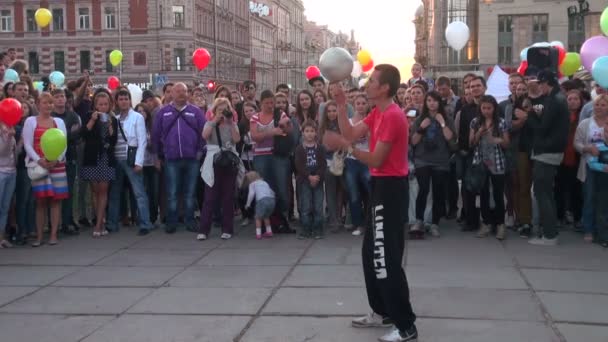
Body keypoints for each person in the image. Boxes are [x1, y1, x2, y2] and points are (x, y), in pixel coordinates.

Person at [324, 64, 418, 342]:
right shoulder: (378, 112)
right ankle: (382, 312)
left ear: (385, 87)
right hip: (380, 187)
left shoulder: (392, 116)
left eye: (372, 80)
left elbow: (374, 158)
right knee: (370, 254)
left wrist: (345, 144)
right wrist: (342, 105)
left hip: (391, 189)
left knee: (385, 258)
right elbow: (352, 133)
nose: (367, 83)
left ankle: (406, 326)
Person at [152, 82, 206, 234]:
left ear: (188, 94)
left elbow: (204, 132)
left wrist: (200, 151)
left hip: (192, 159)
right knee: (172, 193)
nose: (181, 94)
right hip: (171, 159)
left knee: (190, 193)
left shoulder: (195, 112)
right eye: (178, 91)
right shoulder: (163, 112)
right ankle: (172, 222)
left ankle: (189, 220)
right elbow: (155, 135)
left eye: (184, 91)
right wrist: (156, 156)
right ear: (172, 94)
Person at [527, 71, 569, 246]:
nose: (539, 87)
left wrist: (529, 114)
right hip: (552, 151)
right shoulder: (558, 98)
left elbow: (542, 129)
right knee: (546, 193)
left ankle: (550, 235)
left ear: (547, 83)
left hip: (547, 152)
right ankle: (550, 231)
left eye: (541, 83)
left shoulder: (554, 100)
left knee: (541, 193)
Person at [23, 93, 69, 246]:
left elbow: (64, 143)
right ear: (38, 104)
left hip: (57, 165)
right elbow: (27, 144)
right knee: (40, 201)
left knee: (56, 201)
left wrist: (57, 159)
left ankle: (54, 234)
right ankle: (39, 236)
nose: (48, 105)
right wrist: (39, 160)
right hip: (39, 165)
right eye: (45, 103)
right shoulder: (30, 121)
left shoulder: (59, 122)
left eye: (50, 103)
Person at [105, 90, 153, 236]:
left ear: (130, 101)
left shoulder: (137, 117)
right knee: (114, 193)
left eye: (126, 99)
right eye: (121, 99)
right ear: (117, 102)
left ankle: (145, 223)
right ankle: (112, 223)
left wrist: (139, 162)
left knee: (139, 192)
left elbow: (142, 140)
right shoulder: (115, 118)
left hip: (130, 159)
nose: (124, 101)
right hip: (116, 158)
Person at [410, 91, 456, 238]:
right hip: (422, 159)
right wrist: (422, 128)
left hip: (440, 160)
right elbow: (413, 141)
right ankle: (419, 220)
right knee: (423, 189)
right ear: (425, 103)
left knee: (438, 193)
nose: (432, 103)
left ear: (439, 103)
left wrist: (442, 123)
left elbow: (450, 138)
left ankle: (435, 223)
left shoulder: (447, 119)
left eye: (435, 100)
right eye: (429, 100)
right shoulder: (419, 119)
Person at [198, 98, 240, 240]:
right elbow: (204, 135)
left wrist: (231, 123)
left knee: (228, 197)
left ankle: (227, 228)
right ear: (214, 111)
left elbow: (236, 139)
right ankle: (204, 230)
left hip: (229, 162)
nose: (223, 113)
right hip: (213, 162)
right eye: (220, 110)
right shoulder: (210, 123)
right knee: (209, 198)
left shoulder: (231, 124)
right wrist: (215, 120)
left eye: (226, 109)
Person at [469, 95, 510, 240]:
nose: (486, 111)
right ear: (480, 109)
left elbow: (507, 143)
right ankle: (485, 223)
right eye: (483, 108)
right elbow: (471, 143)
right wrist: (479, 133)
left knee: (498, 194)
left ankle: (500, 224)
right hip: (481, 162)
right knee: (484, 194)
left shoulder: (500, 122)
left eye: (489, 108)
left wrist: (497, 140)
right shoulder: (475, 122)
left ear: (494, 108)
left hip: (497, 161)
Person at [80, 90, 118, 237]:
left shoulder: (113, 119)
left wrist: (109, 126)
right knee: (95, 191)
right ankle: (100, 220)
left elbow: (113, 141)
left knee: (103, 191)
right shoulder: (89, 116)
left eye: (106, 104)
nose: (103, 107)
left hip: (106, 159)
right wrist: (93, 120)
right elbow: (84, 134)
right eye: (100, 104)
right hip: (91, 158)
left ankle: (98, 225)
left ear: (109, 105)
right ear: (95, 105)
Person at [574, 94, 608, 243]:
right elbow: (577, 143)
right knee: (589, 197)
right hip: (589, 166)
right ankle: (588, 228)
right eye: (596, 105)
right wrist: (587, 148)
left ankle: (602, 230)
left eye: (603, 105)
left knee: (604, 200)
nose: (599, 108)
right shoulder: (585, 123)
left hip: (606, 168)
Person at [51, 89, 81, 235]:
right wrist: (68, 133)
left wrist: (65, 136)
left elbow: (77, 135)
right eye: (56, 97)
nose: (60, 99)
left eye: (62, 96)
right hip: (53, 160)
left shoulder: (72, 115)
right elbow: (52, 138)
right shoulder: (50, 117)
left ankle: (67, 222)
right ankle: (53, 224)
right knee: (54, 193)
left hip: (70, 158)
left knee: (69, 192)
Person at [294, 120, 327, 239]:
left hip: (317, 180)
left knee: (318, 205)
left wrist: (317, 176)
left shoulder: (321, 148)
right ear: (302, 133)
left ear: (316, 133)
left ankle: (318, 228)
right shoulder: (299, 149)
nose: (309, 134)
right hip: (304, 180)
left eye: (312, 131)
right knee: (306, 206)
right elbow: (299, 165)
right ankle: (306, 228)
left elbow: (323, 165)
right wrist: (309, 176)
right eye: (306, 131)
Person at [345, 94, 371, 236]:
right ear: (354, 105)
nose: (360, 106)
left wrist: (368, 133)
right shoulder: (349, 121)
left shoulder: (371, 120)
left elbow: (375, 141)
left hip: (367, 158)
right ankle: (358, 224)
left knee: (371, 190)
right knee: (353, 193)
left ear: (367, 105)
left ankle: (373, 221)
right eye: (358, 103)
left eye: (363, 103)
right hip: (352, 160)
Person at [585, 122, 608, 247]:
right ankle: (602, 236)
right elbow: (591, 163)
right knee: (602, 210)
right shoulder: (598, 146)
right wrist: (603, 167)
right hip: (602, 184)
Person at [244, 171, 275, 239]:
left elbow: (251, 194)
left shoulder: (252, 184)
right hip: (271, 200)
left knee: (258, 218)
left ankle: (258, 234)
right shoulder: (264, 182)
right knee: (266, 216)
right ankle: (269, 232)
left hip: (261, 200)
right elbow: (271, 191)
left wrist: (248, 204)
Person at [0, 121, 17, 248]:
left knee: (5, 207)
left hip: (11, 171)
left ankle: (2, 237)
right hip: (1, 172)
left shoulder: (9, 126)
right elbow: (3, 152)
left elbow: (14, 152)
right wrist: (10, 137)